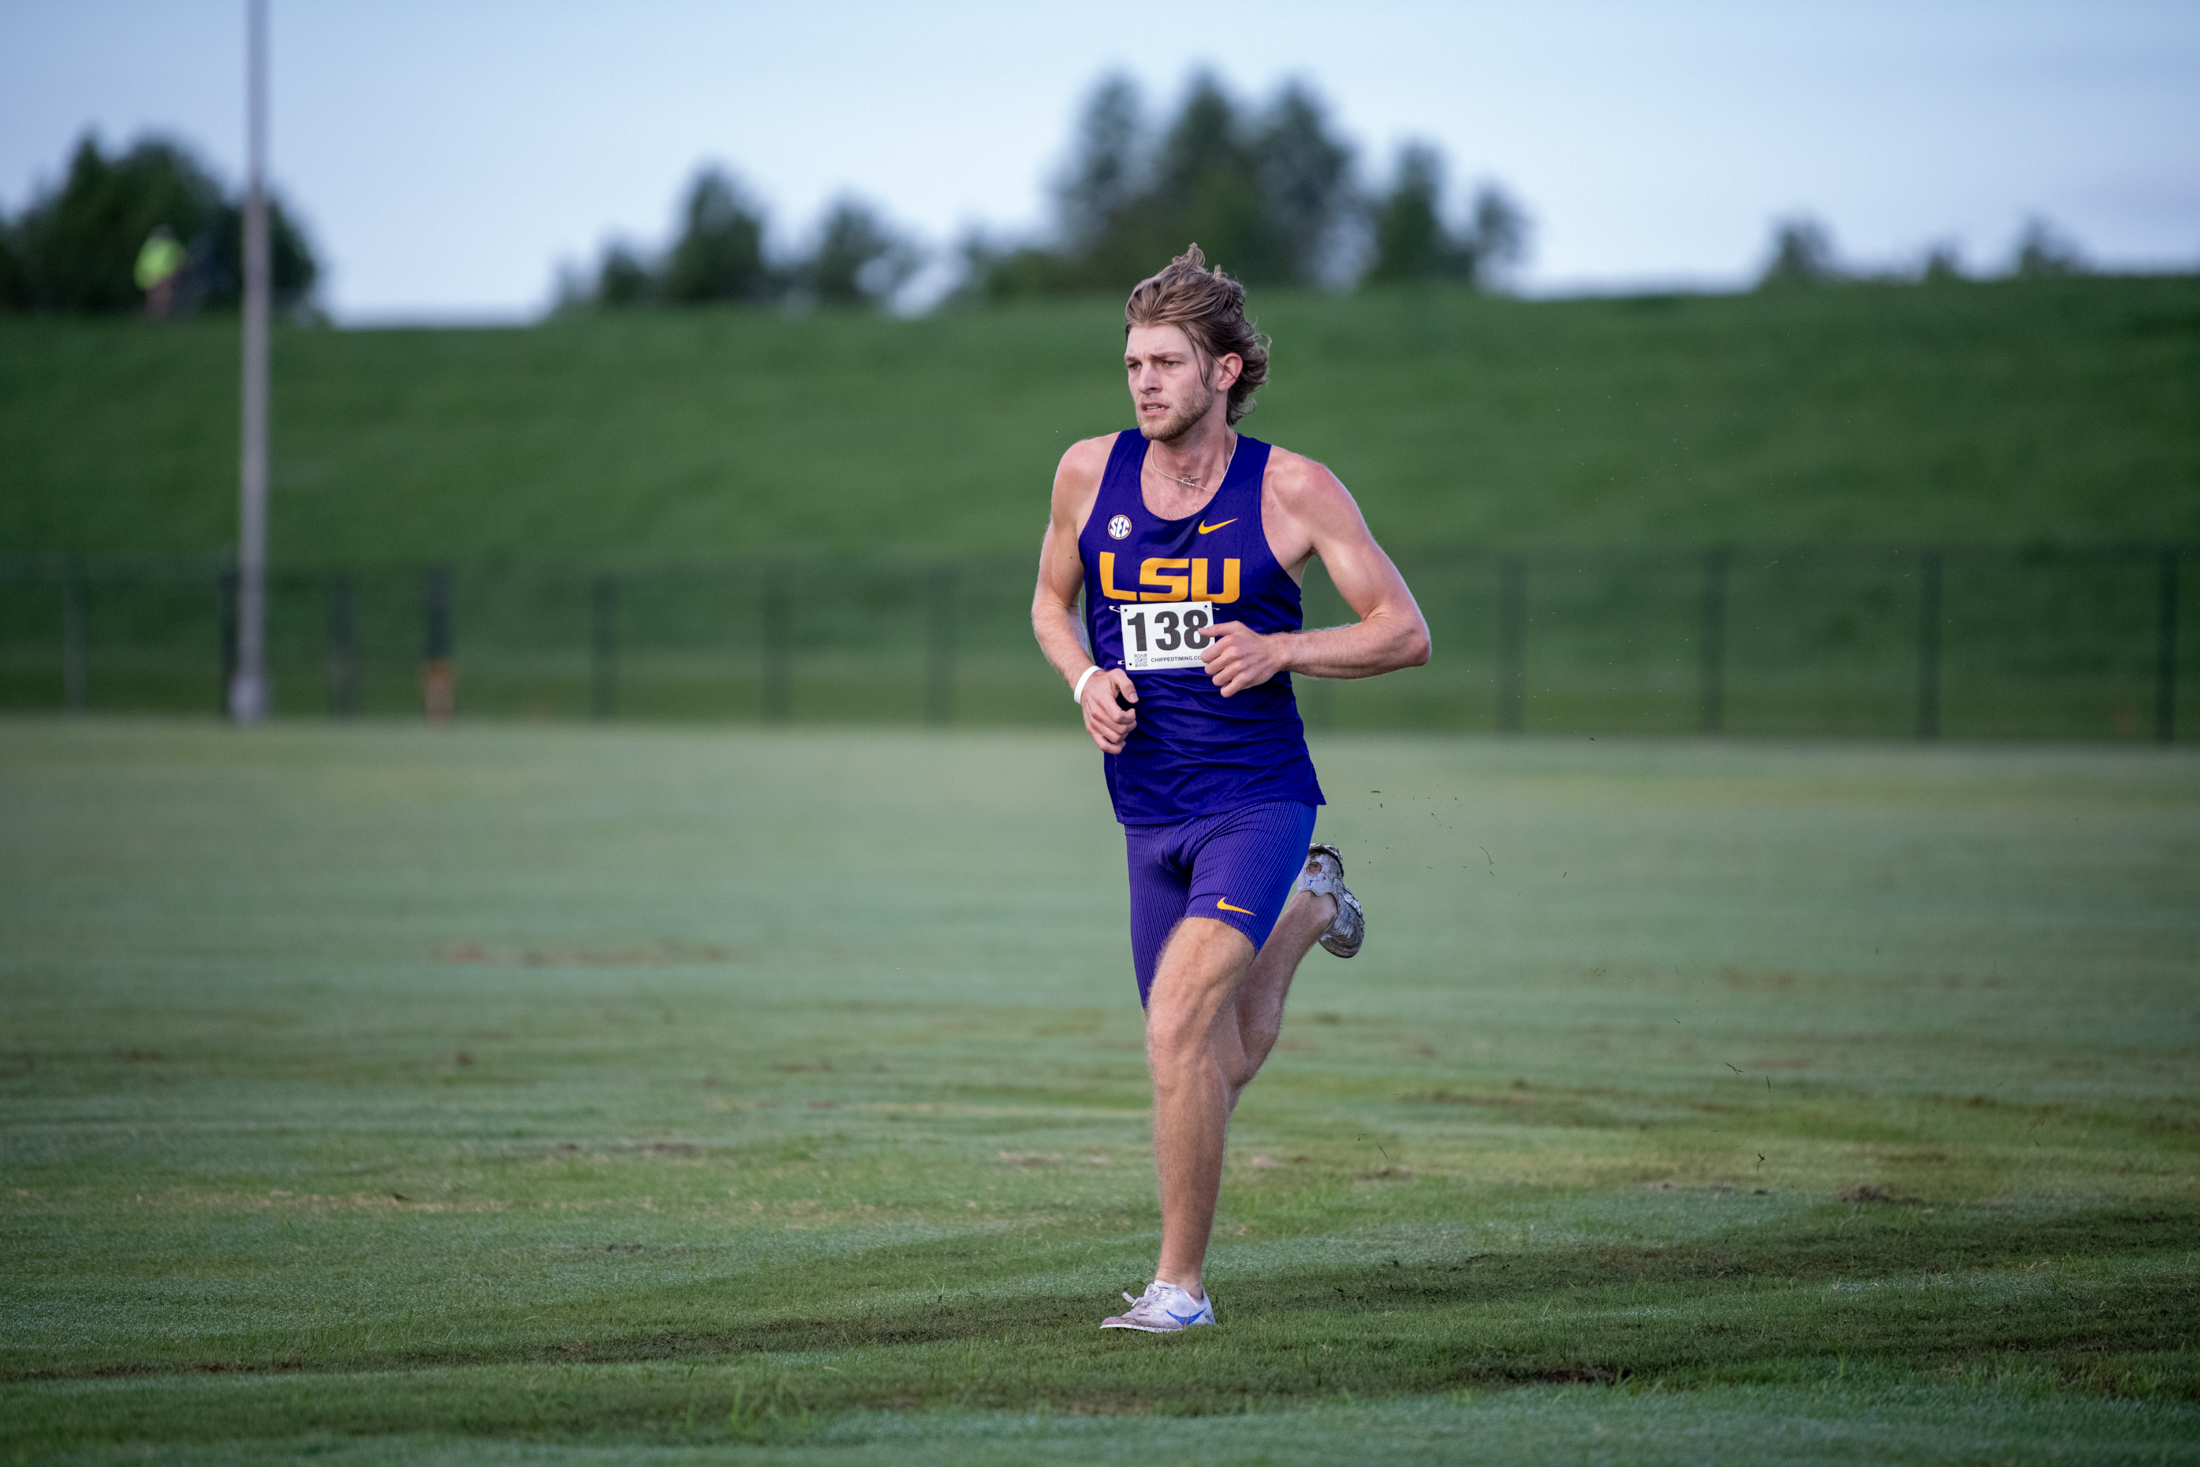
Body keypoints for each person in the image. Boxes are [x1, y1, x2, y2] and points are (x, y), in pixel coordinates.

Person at [1030, 245, 1431, 1333]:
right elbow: (1048, 607)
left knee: (1173, 1033)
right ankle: (1309, 912)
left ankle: (1180, 1290)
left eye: (1166, 362)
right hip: (1145, 809)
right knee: (1209, 1054)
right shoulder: (1085, 472)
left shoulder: (1292, 488)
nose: (1144, 382)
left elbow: (1405, 633)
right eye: (1131, 363)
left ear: (1226, 370)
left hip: (1255, 798)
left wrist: (1280, 650)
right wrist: (1083, 682)